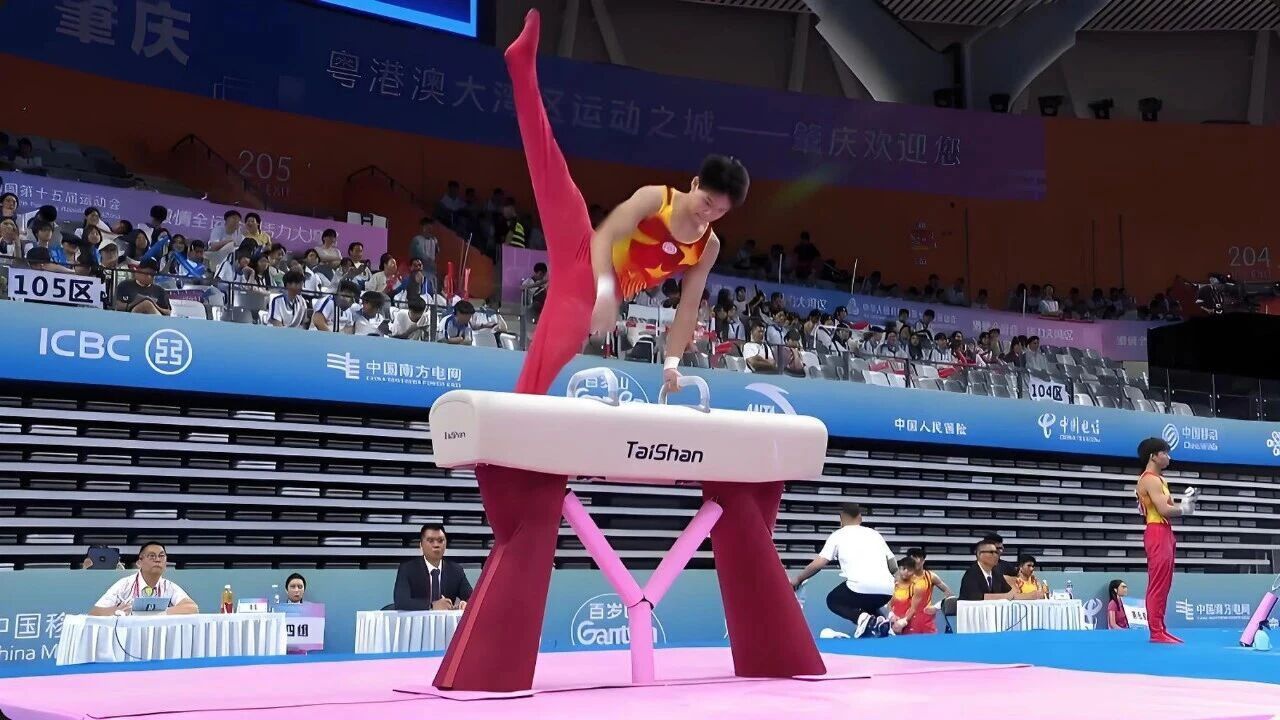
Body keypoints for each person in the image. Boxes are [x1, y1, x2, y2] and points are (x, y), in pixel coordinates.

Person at [790, 503, 897, 639]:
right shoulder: (875, 534)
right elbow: (893, 565)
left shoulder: (838, 535)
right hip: (887, 591)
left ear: (841, 519)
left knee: (834, 600)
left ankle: (862, 618)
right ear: (860, 518)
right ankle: (881, 624)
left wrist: (798, 579)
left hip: (860, 587)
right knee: (868, 601)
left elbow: (820, 563)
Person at [1137, 436, 1195, 644]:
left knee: (1165, 583)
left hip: (1166, 532)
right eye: (1165, 453)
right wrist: (1185, 509)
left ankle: (1161, 628)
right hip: (1156, 531)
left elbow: (1170, 508)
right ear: (1153, 456)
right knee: (1158, 584)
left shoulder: (1161, 480)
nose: (1169, 457)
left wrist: (1186, 503)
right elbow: (1163, 510)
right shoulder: (1149, 480)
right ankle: (1155, 631)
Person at [88, 542, 198, 616]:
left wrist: (158, 613)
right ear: (139, 562)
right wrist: (116, 611)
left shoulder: (168, 586)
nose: (157, 560)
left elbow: (192, 608)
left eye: (161, 556)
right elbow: (95, 612)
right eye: (152, 556)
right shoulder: (124, 585)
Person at [393, 524, 472, 611]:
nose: (436, 545)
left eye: (440, 541)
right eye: (430, 541)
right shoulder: (407, 569)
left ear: (446, 544)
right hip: (419, 619)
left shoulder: (456, 570)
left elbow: (472, 597)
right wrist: (431, 606)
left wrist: (465, 604)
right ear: (421, 545)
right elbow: (401, 601)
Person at [958, 539, 1028, 601]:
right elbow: (978, 597)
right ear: (979, 554)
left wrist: (1030, 595)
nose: (996, 555)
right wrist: (1006, 596)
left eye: (996, 552)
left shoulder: (996, 574)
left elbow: (1010, 593)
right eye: (991, 552)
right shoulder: (971, 573)